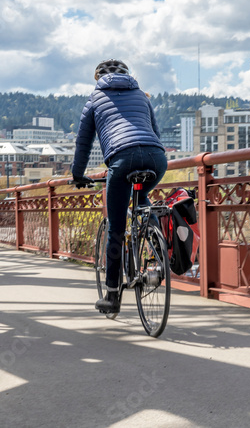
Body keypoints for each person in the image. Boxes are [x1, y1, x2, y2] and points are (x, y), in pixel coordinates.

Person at [71, 59, 167, 315]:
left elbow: (84, 143)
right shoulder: (142, 95)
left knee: (116, 228)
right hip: (157, 158)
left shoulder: (95, 99)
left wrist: (78, 175)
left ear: (98, 78)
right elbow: (155, 133)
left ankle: (112, 296)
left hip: (122, 159)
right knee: (143, 196)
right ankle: (159, 247)